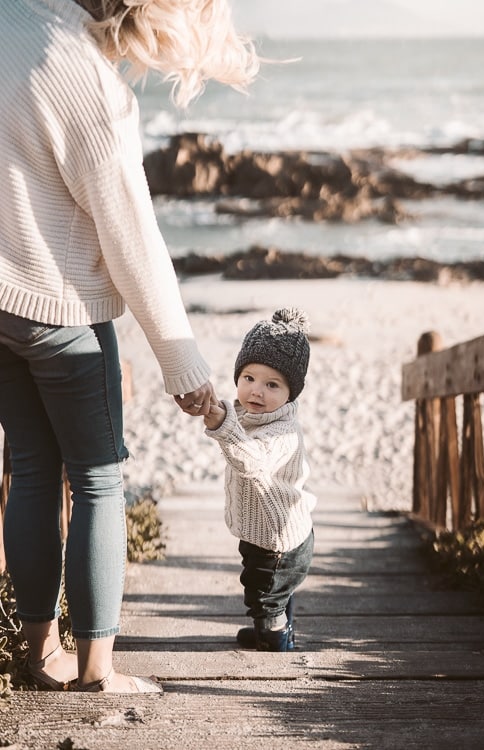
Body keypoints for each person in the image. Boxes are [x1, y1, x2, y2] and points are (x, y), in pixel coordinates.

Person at [0, 0, 259, 693]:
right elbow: (135, 245)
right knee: (96, 479)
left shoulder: (7, 18)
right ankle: (95, 673)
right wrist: (183, 362)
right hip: (62, 314)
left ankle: (37, 654)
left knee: (29, 470)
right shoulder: (87, 79)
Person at [204, 308, 316, 652]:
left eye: (272, 385)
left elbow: (250, 461)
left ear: (291, 393)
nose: (256, 391)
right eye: (249, 378)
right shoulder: (247, 414)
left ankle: (276, 637)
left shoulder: (282, 432)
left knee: (264, 592)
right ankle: (271, 625)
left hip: (279, 542)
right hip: (263, 532)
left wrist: (221, 425)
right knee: (266, 587)